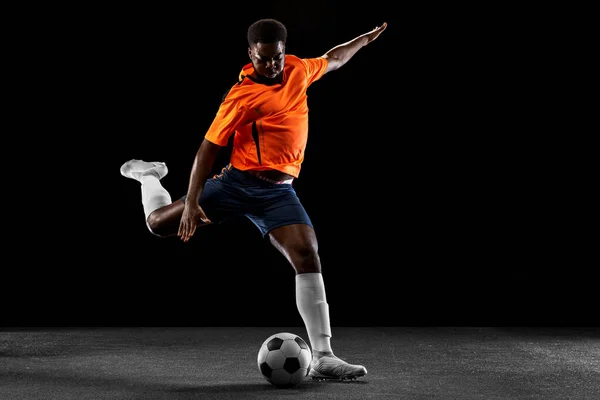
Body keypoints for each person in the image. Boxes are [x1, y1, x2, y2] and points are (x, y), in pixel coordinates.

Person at [121, 18, 387, 381]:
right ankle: (149, 176)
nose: (272, 65)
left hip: (278, 192)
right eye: (263, 59)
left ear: (283, 51)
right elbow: (206, 151)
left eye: (276, 57)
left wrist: (365, 39)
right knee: (157, 225)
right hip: (236, 185)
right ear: (251, 54)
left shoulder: (297, 69)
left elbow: (334, 58)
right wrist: (194, 201)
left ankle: (323, 356)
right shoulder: (241, 95)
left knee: (307, 253)